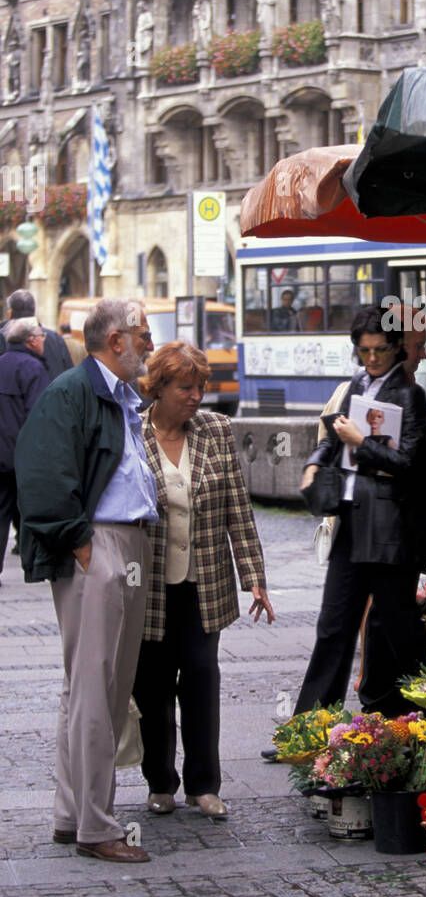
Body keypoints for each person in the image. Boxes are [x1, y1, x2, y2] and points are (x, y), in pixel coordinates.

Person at [15, 299, 158, 863]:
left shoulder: (117, 394)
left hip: (119, 543)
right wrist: (82, 545)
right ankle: (95, 826)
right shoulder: (73, 391)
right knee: (97, 688)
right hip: (99, 544)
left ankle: (73, 814)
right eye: (143, 334)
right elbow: (42, 472)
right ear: (116, 339)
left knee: (95, 688)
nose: (149, 343)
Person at [134, 341, 273, 819]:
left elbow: (239, 507)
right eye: (185, 387)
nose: (196, 396)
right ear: (159, 387)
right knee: (151, 686)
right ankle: (160, 782)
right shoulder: (132, 431)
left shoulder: (216, 430)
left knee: (200, 678)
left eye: (200, 387)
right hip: (148, 587)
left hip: (204, 583)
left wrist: (254, 576)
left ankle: (204, 785)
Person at [295, 305, 426, 717]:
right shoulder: (356, 384)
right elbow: (332, 435)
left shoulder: (410, 395)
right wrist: (314, 462)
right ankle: (310, 725)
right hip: (353, 519)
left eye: (379, 350)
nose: (371, 358)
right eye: (364, 350)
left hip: (390, 527)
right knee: (333, 625)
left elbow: (410, 462)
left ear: (395, 348)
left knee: (399, 627)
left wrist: (363, 441)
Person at [0, 318, 49, 581]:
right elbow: (38, 414)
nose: (44, 340)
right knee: (31, 510)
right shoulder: (33, 368)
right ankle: (33, 565)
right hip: (22, 455)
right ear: (31, 340)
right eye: (42, 336)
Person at [0, 289, 73, 381]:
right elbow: (69, 373)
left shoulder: (3, 337)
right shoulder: (56, 338)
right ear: (34, 311)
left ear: (10, 313)